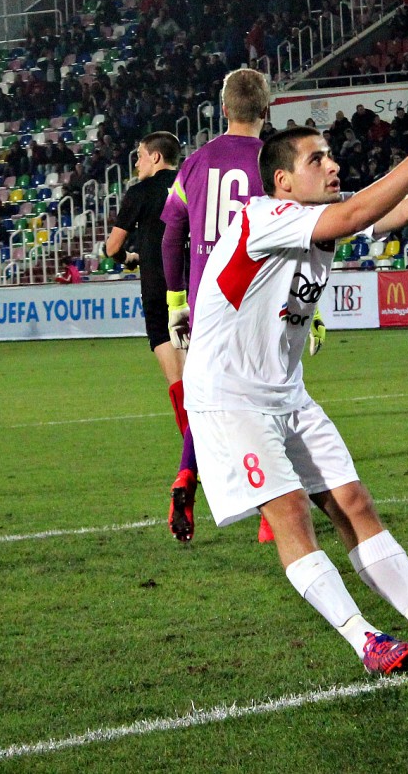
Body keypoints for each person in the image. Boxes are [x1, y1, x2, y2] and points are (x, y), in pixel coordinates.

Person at [183, 112, 408, 674]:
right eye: (316, 159)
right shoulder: (263, 217)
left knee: (354, 503)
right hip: (230, 398)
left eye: (330, 155)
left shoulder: (317, 219)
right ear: (282, 182)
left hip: (286, 392)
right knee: (292, 511)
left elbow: (392, 212)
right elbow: (355, 213)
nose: (332, 164)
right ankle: (364, 639)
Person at [161, 68, 295, 545]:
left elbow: (172, 234)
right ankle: (270, 511)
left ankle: (186, 474)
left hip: (207, 305)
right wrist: (309, 310)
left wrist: (177, 301)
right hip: (260, 303)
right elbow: (297, 238)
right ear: (266, 110)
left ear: (222, 109)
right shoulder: (274, 163)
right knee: (272, 398)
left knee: (207, 399)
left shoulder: (195, 163)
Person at [103, 132, 185, 432]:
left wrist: (127, 258)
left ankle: (193, 452)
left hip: (158, 290)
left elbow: (112, 247)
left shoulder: (139, 192)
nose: (137, 163)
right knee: (203, 376)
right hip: (195, 288)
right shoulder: (192, 184)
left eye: (140, 156)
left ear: (156, 157)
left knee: (177, 380)